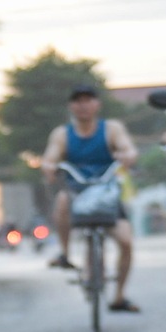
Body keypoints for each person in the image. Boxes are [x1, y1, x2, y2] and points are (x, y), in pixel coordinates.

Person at [41, 85, 140, 312]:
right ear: (71, 106)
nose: (83, 105)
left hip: (106, 193)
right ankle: (65, 253)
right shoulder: (62, 134)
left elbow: (128, 149)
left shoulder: (111, 129)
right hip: (77, 190)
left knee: (126, 242)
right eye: (78, 101)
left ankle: (119, 296)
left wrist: (126, 156)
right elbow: (50, 156)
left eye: (88, 100)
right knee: (63, 200)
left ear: (97, 105)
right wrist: (48, 166)